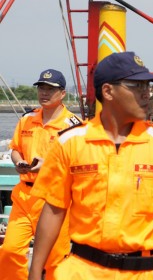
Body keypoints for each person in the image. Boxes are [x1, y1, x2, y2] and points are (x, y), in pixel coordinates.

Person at [28, 52, 153, 280]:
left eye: (148, 85)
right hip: (82, 271)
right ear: (108, 91)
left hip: (146, 273)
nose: (146, 93)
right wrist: (35, 271)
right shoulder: (70, 142)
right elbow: (54, 210)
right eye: (136, 85)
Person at [0, 69, 81, 280]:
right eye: (41, 88)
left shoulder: (73, 126)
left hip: (54, 200)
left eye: (50, 89)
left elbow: (78, 162)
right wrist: (19, 163)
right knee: (9, 251)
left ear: (62, 93)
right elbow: (16, 147)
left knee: (56, 259)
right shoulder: (27, 119)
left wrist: (47, 166)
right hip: (24, 197)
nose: (44, 93)